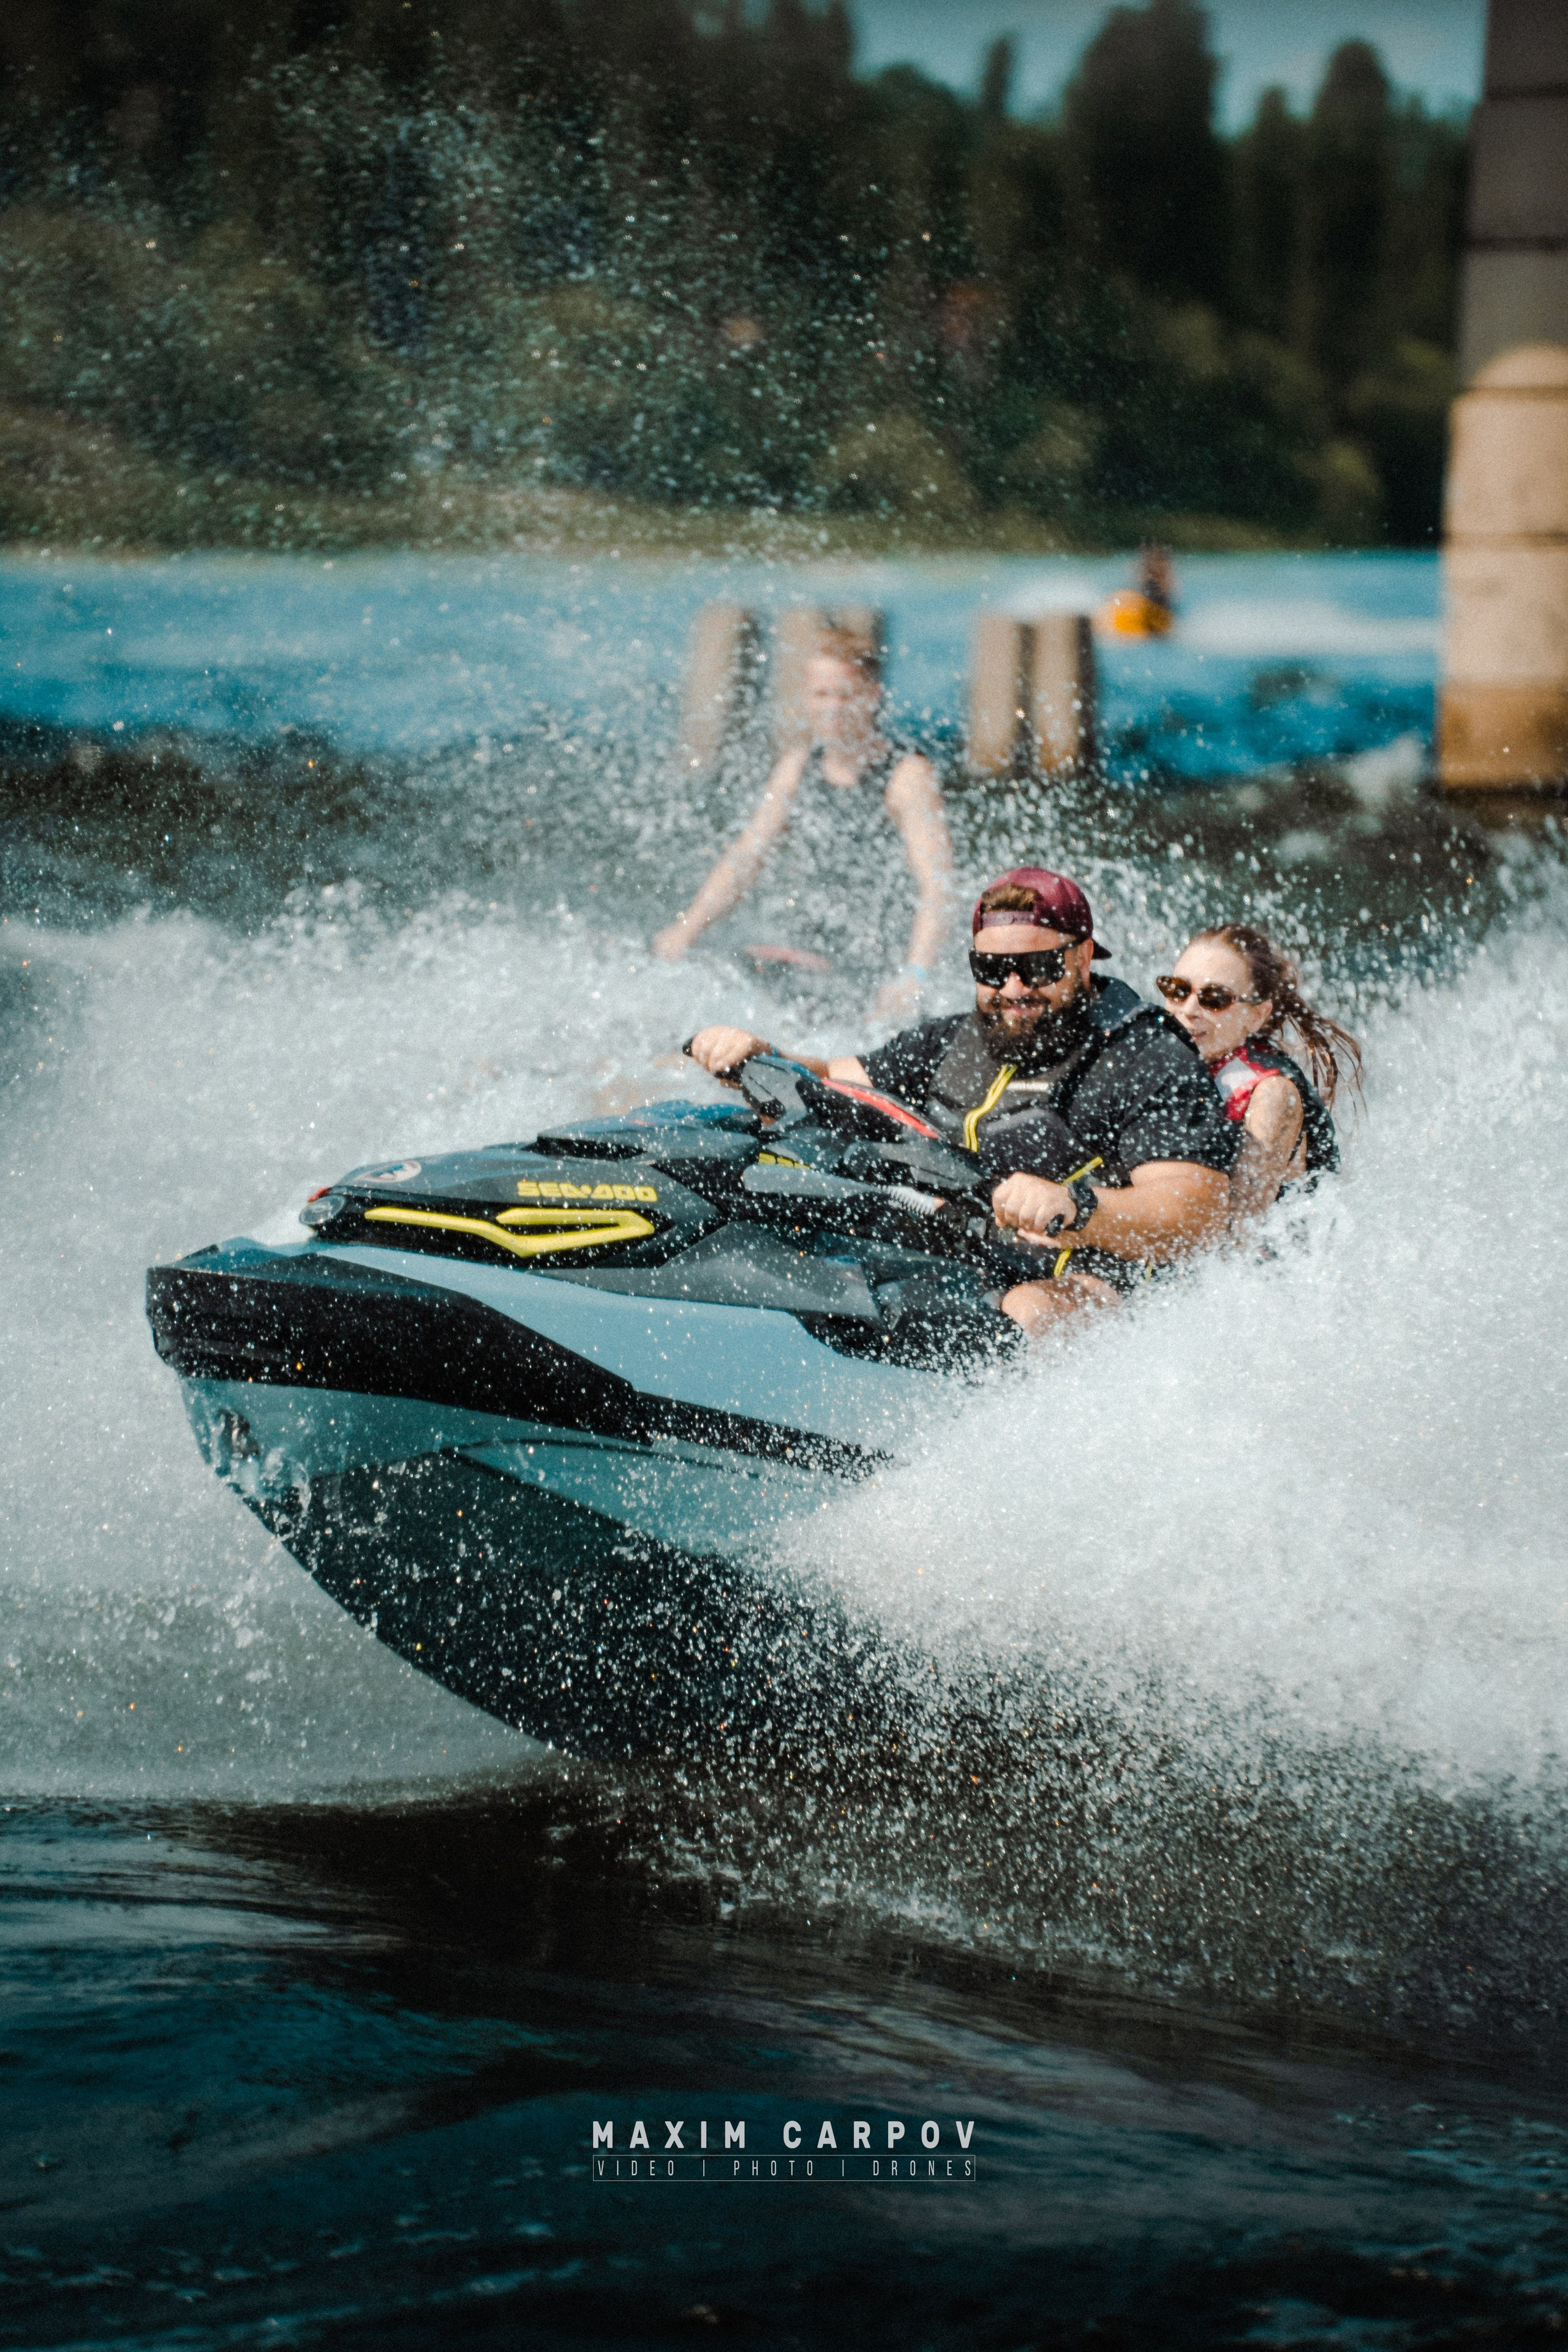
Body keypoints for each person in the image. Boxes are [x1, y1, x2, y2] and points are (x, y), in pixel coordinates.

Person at [687, 865, 1238, 1336]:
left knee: (1032, 1310)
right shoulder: (952, 1042)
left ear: (1084, 957)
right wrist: (762, 1056)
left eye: (1040, 969)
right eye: (993, 971)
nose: (1015, 989)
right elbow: (836, 1079)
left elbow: (1195, 1213)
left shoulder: (1147, 1059)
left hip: (1095, 1284)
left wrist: (1074, 1206)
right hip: (960, 1259)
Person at [652, 628, 953, 1019]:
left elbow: (937, 889)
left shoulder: (906, 776)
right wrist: (686, 929)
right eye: (820, 694)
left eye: (845, 695)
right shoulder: (797, 767)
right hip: (796, 951)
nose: (832, 707)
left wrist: (913, 976)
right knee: (693, 987)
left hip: (866, 966)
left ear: (872, 697)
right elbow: (746, 857)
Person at [1155, 924, 1362, 1224]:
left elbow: (1241, 1238)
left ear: (1256, 1016)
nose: (1189, 1009)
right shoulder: (1157, 1063)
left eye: (1215, 999)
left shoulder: (1273, 1096)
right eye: (1178, 990)